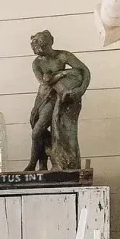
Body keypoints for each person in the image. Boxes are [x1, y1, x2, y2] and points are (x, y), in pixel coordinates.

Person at [25, 30, 90, 171]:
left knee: (54, 130)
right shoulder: (36, 63)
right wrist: (63, 74)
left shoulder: (63, 56)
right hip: (44, 98)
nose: (36, 51)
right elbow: (45, 81)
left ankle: (54, 161)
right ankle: (36, 163)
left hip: (59, 97)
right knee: (37, 131)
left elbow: (84, 71)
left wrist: (80, 90)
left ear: (47, 44)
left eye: (38, 47)